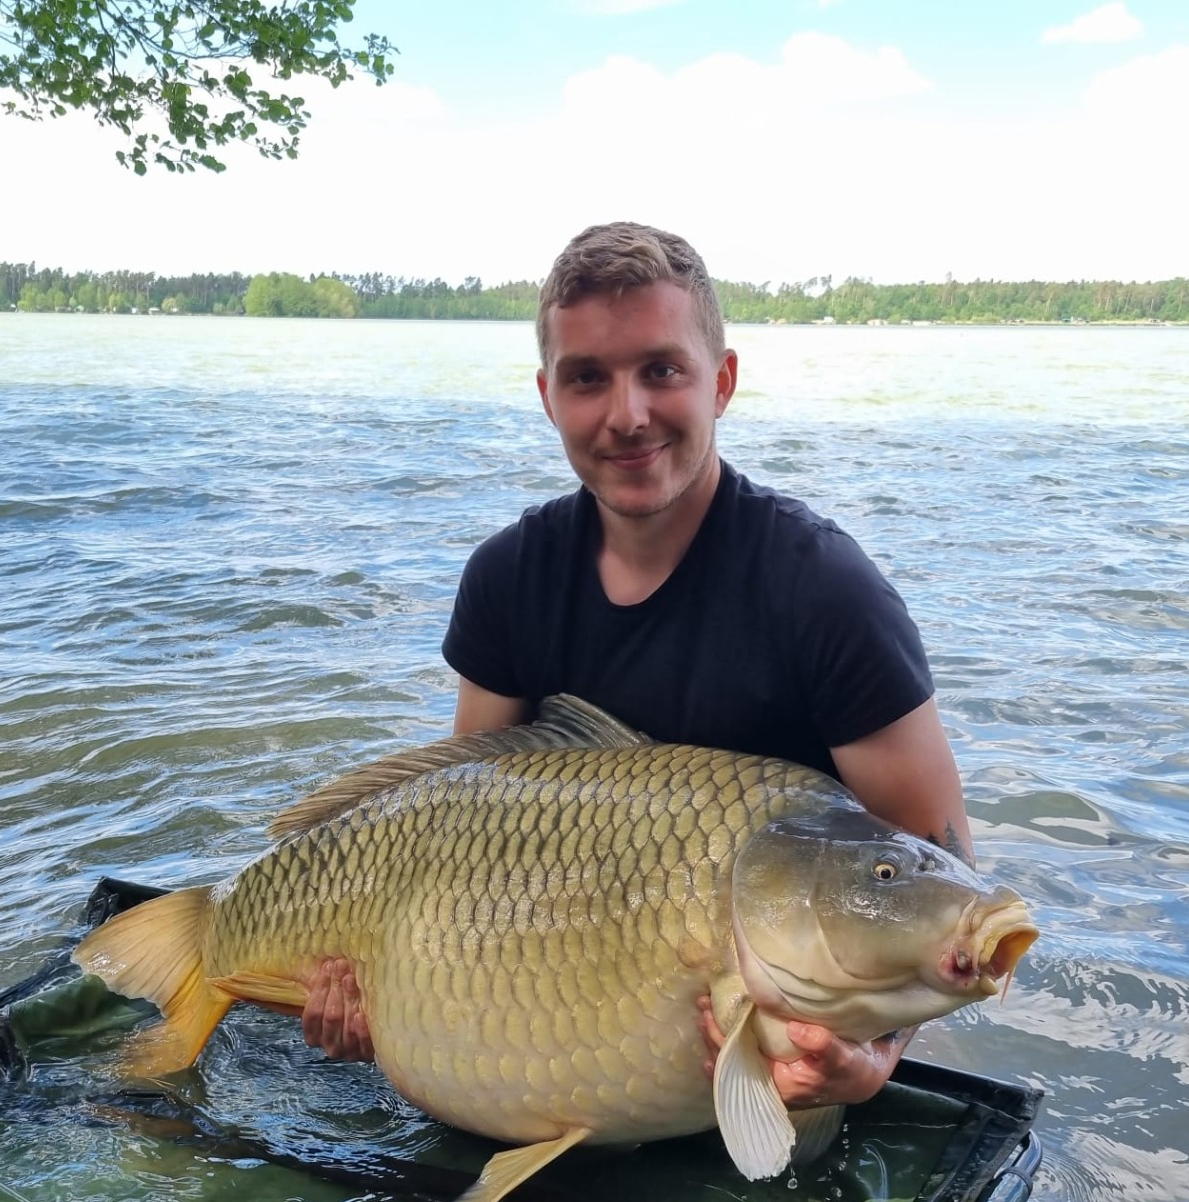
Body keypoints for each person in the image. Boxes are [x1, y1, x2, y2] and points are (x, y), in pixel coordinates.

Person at [301, 222, 976, 1114]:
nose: (627, 415)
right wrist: (394, 993)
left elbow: (939, 878)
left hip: (778, 1048)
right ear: (548, 397)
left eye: (661, 370)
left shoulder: (825, 590)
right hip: (574, 997)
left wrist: (873, 1060)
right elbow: (458, 825)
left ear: (721, 382)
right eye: (588, 378)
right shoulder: (507, 577)